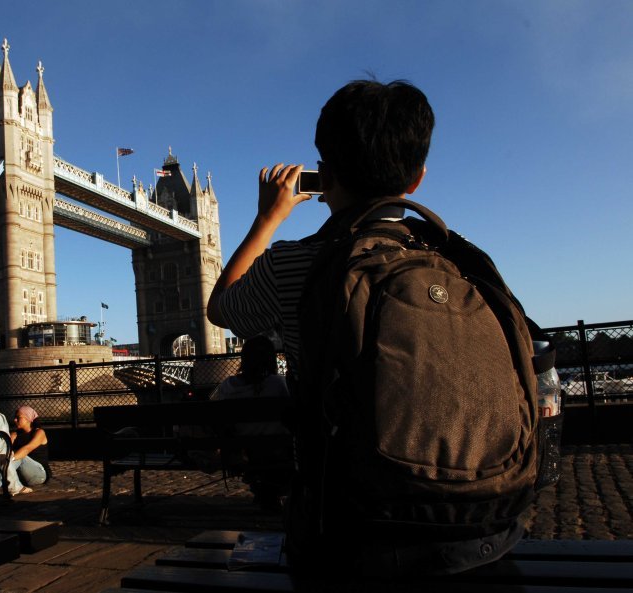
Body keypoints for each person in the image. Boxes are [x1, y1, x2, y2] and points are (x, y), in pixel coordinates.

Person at [206, 80, 521, 579]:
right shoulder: (459, 261)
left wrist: (267, 219)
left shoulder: (294, 264)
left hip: (353, 539)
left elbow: (221, 308)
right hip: (484, 533)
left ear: (323, 177)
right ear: (416, 180)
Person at [209, 335, 290, 510]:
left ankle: (262, 489)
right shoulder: (279, 384)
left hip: (243, 450)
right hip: (278, 449)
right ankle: (271, 490)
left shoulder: (227, 386)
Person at [0, 405, 50, 494]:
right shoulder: (15, 434)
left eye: (18, 417)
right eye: (15, 417)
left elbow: (27, 449)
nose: (15, 420)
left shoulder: (39, 433)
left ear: (28, 419)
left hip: (39, 474)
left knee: (20, 457)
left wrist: (9, 460)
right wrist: (10, 439)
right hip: (22, 474)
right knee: (8, 455)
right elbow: (5, 450)